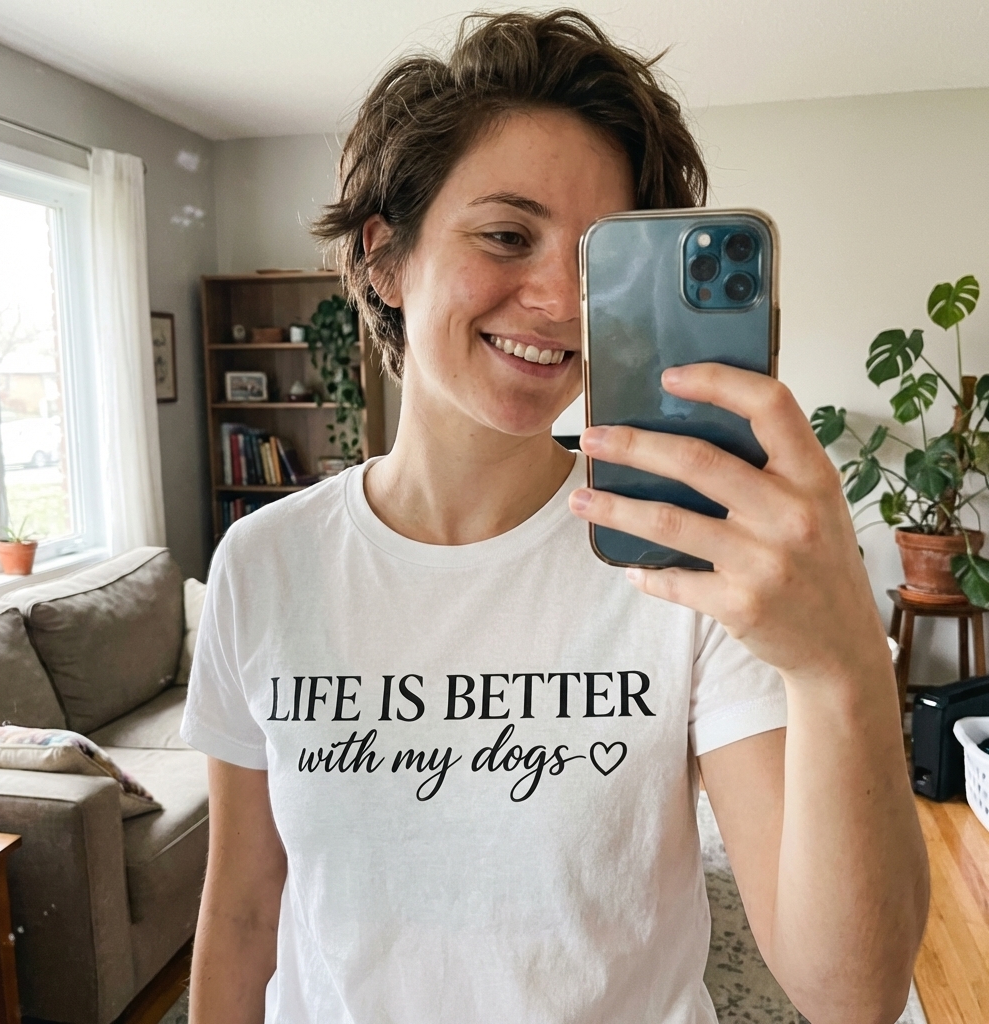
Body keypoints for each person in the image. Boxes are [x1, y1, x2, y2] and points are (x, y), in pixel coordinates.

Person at [181, 11, 929, 1024]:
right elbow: (242, 911)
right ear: (386, 258)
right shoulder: (265, 562)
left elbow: (852, 993)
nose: (559, 300)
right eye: (506, 235)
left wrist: (840, 666)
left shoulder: (685, 557)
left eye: (595, 265)